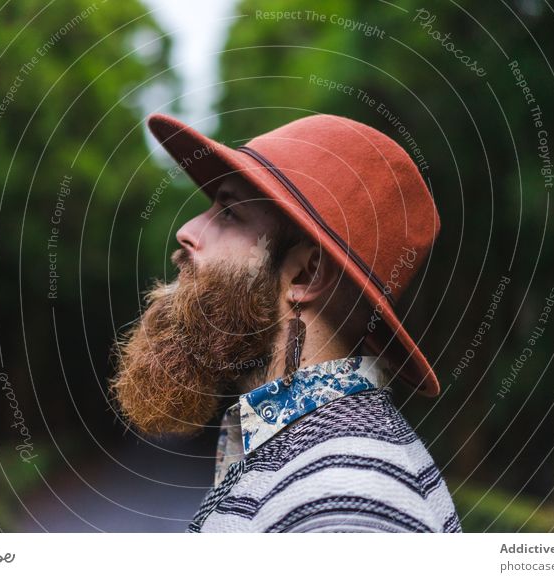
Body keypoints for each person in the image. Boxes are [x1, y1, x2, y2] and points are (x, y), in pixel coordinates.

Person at [109, 112, 462, 533]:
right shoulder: (302, 453)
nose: (186, 231)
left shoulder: (346, 497)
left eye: (229, 213)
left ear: (305, 274)